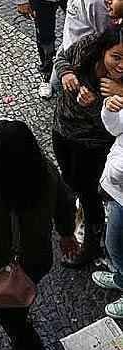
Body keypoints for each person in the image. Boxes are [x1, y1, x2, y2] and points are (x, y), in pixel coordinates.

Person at [0, 119, 77, 350]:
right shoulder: (47, 171)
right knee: (23, 299)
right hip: (40, 259)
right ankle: (23, 316)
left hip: (5, 271)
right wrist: (66, 235)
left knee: (11, 320)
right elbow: (64, 206)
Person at [53, 28, 123, 267]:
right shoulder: (86, 48)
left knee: (88, 193)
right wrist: (65, 73)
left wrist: (96, 106)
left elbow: (114, 129)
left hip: (92, 146)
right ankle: (80, 213)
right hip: (62, 128)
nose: (121, 66)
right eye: (117, 57)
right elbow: (61, 56)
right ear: (104, 50)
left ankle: (91, 244)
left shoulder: (118, 89)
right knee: (70, 179)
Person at [92, 93, 123, 319]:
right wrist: (109, 109)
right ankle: (121, 279)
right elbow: (115, 129)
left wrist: (118, 171)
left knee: (116, 247)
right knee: (115, 247)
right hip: (116, 193)